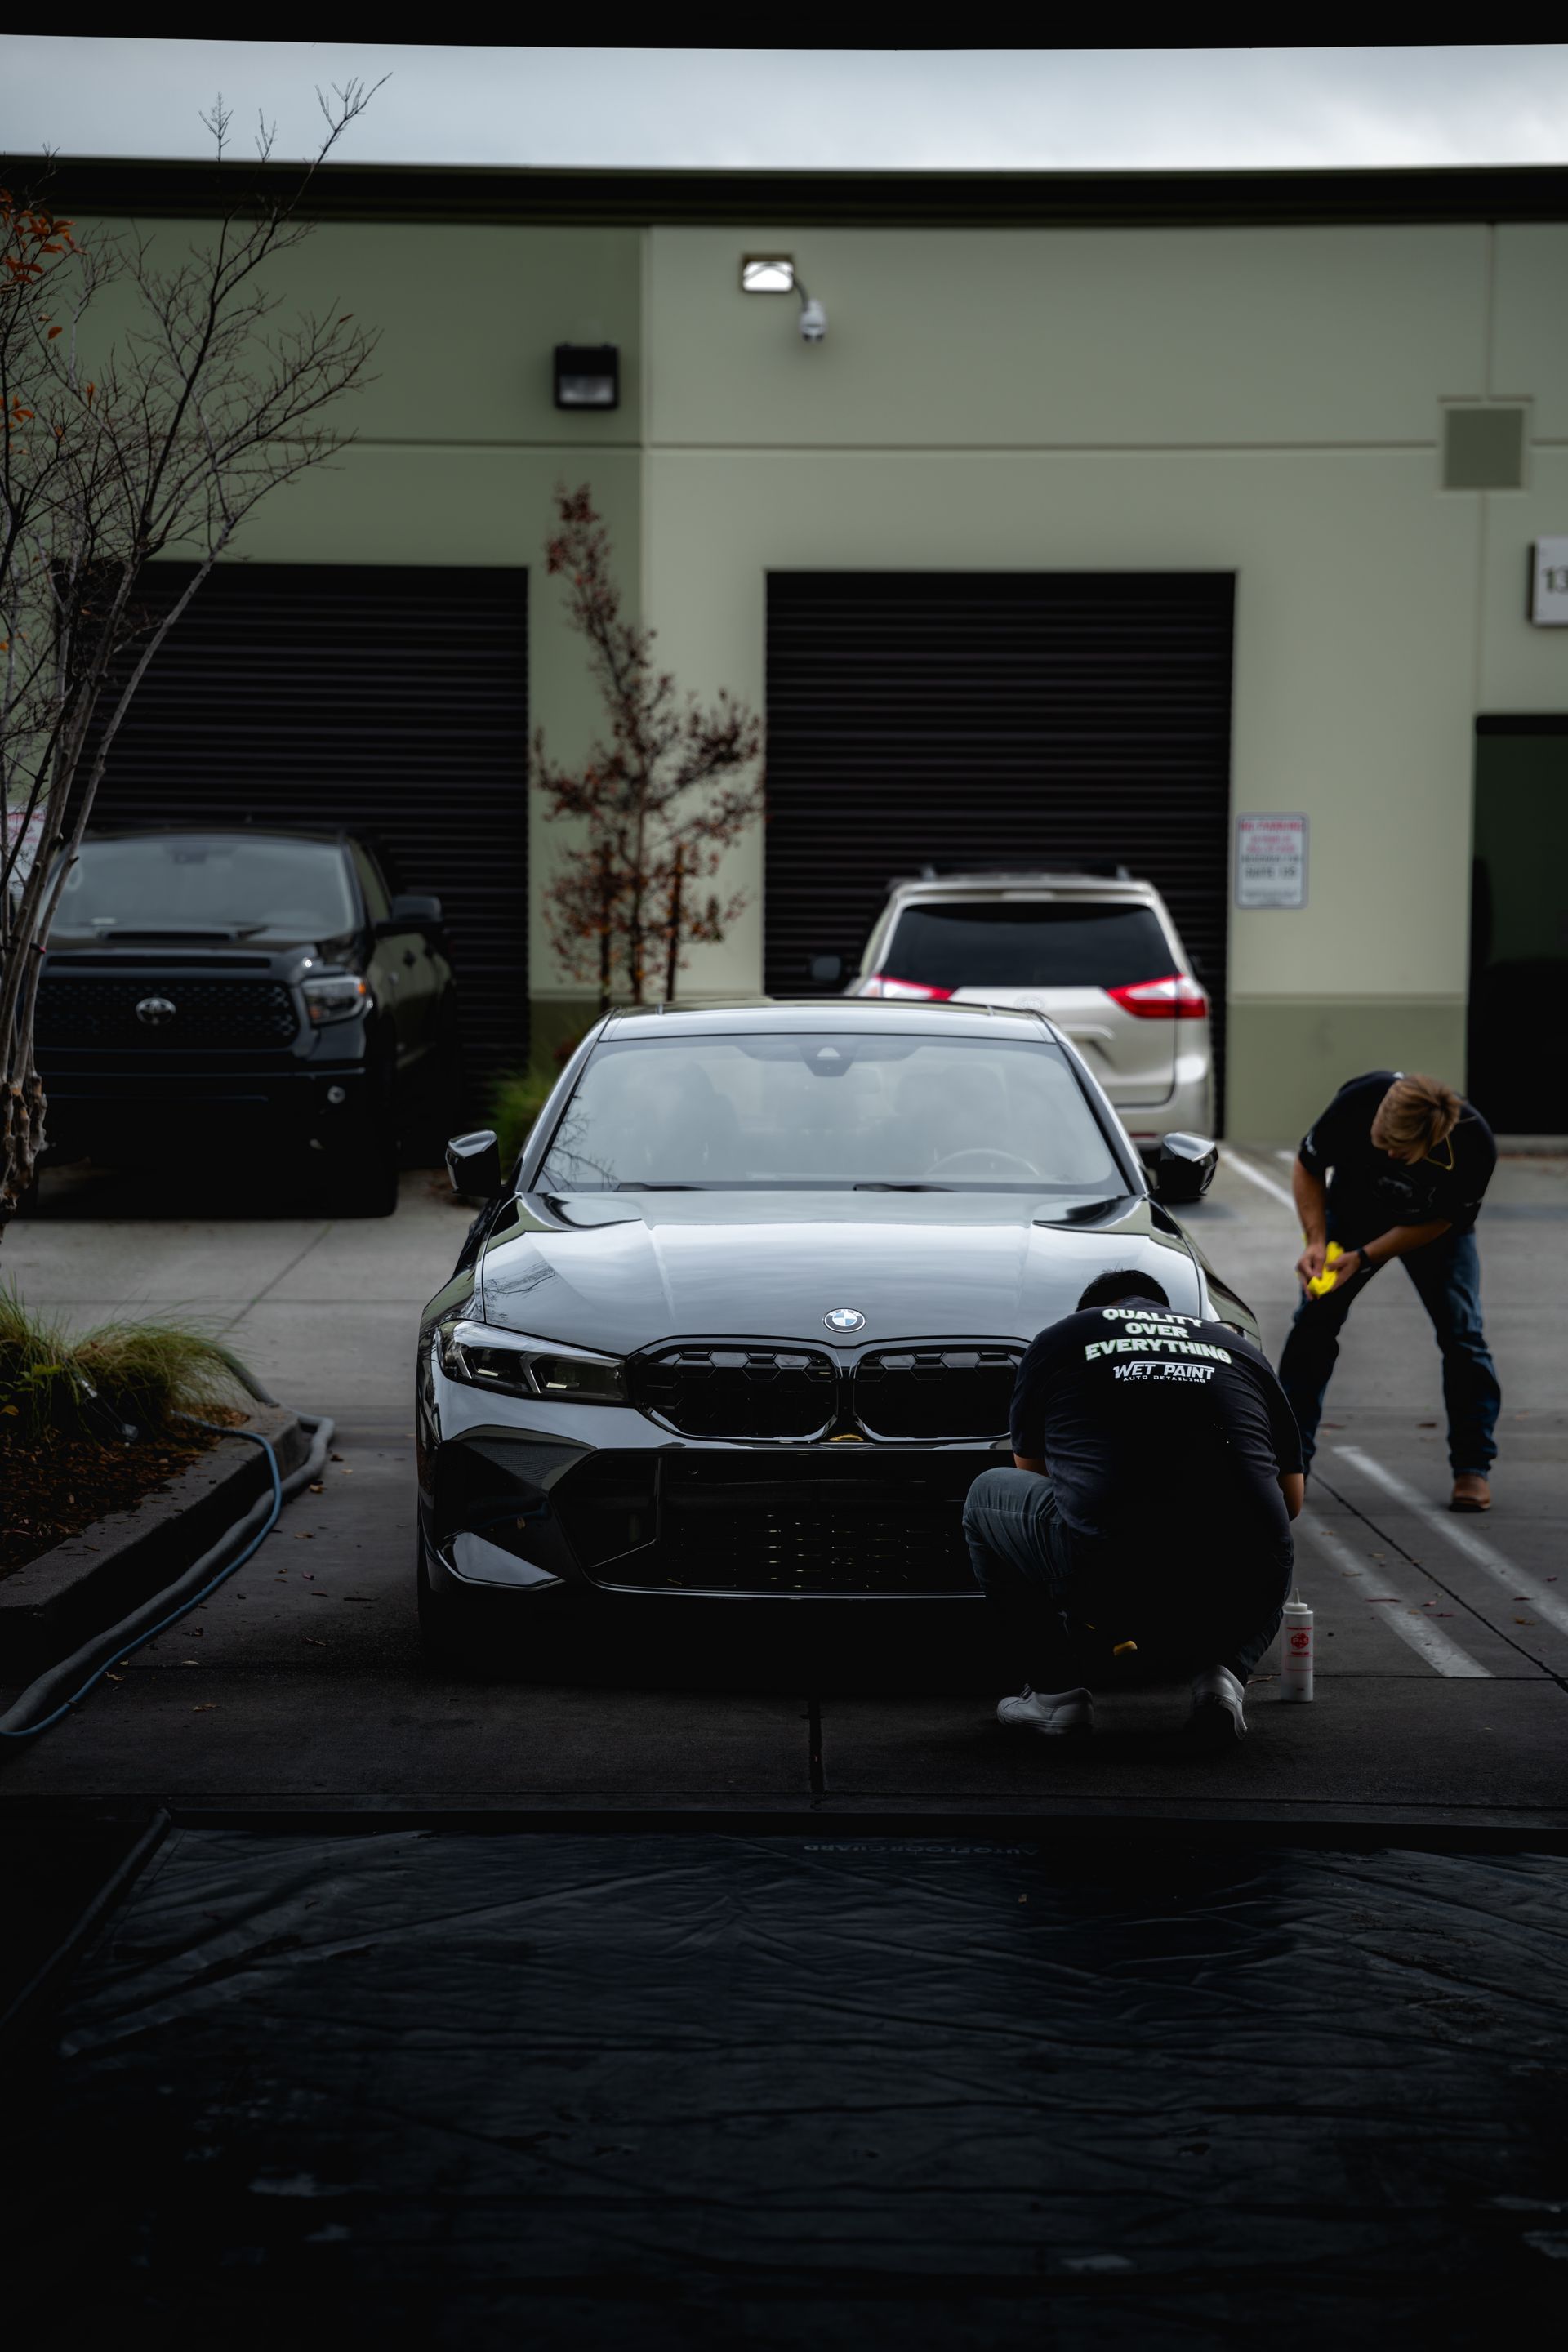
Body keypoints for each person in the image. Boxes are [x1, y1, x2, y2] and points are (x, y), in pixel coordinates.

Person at [964, 1270, 1303, 1747]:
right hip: (1245, 1587)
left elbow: (1034, 1472)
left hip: (1112, 1573)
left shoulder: (1063, 1337)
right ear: (1164, 1310)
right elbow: (1292, 1498)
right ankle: (1223, 1680)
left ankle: (1055, 1696)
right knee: (1266, 1528)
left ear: (1093, 1310)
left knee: (987, 1494)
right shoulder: (1238, 1348)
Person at [1277, 1071, 1499, 1512]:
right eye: (1380, 1142)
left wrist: (1364, 1257)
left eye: (1398, 1152)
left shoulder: (1474, 1146)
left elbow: (1441, 1222)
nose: (1387, 1152)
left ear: (1433, 1140)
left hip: (1435, 1230)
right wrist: (1317, 1241)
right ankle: (1288, 1464)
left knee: (1462, 1335)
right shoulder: (1358, 1101)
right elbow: (1308, 1165)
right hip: (1354, 1211)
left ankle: (1473, 1467)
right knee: (1313, 1325)